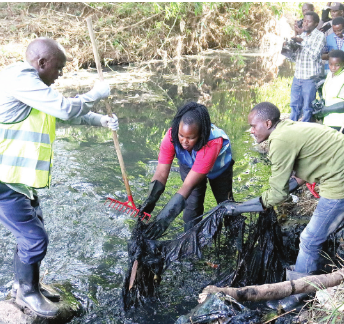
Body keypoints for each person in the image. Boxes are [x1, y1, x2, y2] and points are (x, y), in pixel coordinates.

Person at [0, 38, 119, 317]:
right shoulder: (19, 79)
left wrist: (99, 119)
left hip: (17, 179)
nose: (60, 74)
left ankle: (26, 285)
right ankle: (26, 293)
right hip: (3, 181)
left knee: (32, 231)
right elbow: (65, 108)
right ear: (41, 63)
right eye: (59, 67)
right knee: (34, 239)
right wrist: (94, 94)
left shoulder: (33, 86)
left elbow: (59, 114)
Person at [223, 102, 344, 312]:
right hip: (337, 168)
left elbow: (277, 194)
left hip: (339, 180)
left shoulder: (279, 141)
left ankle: (299, 295)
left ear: (268, 123)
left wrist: (237, 208)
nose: (251, 130)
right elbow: (296, 179)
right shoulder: (288, 129)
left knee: (310, 240)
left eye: (253, 126)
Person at [140, 101, 233, 238]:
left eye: (190, 138)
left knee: (224, 202)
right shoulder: (171, 136)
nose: (184, 141)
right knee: (192, 203)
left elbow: (187, 186)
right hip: (189, 163)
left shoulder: (212, 142)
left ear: (201, 135)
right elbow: (160, 173)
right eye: (181, 136)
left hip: (219, 168)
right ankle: (190, 238)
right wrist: (149, 203)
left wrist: (164, 219)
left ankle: (233, 233)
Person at [290, 12, 325, 122]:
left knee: (307, 108)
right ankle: (292, 128)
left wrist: (302, 42)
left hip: (310, 78)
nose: (305, 23)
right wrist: (289, 49)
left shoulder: (320, 36)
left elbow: (314, 55)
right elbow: (294, 58)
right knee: (294, 105)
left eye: (308, 21)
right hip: (297, 76)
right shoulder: (301, 35)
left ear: (316, 24)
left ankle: (305, 131)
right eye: (304, 20)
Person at [318, 50, 344, 130]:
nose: (333, 68)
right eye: (330, 64)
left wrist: (326, 110)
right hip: (328, 121)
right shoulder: (330, 75)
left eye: (337, 65)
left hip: (340, 123)